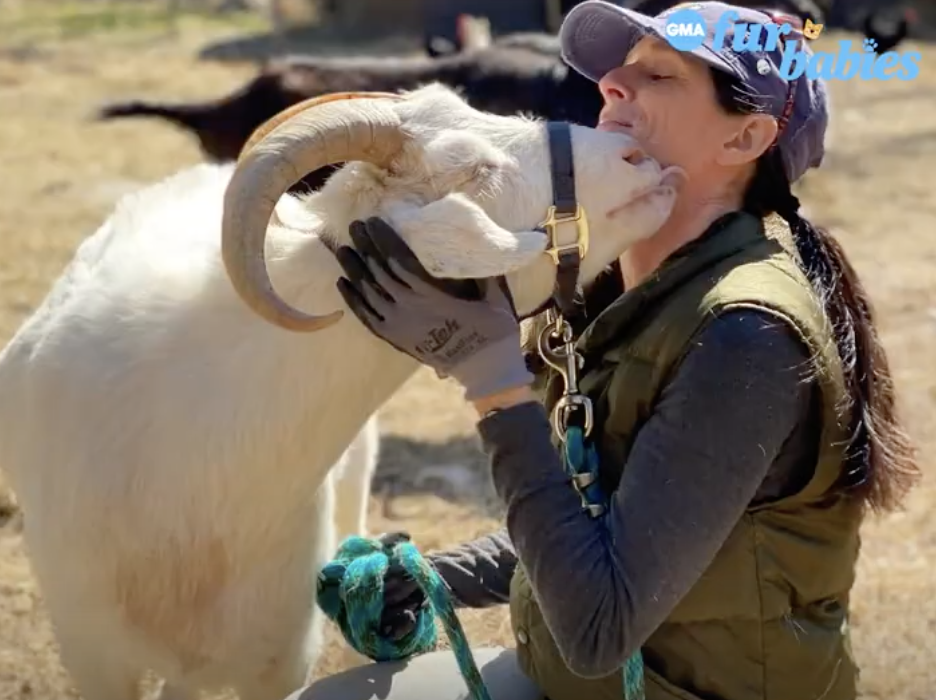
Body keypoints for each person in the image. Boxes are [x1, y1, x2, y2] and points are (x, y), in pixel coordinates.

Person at [290, 2, 919, 699]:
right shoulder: (614, 286)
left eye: (660, 74)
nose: (614, 82)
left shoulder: (746, 334)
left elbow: (598, 628)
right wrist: (439, 574)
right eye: (620, 69)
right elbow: (605, 525)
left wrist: (492, 381)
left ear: (745, 136)